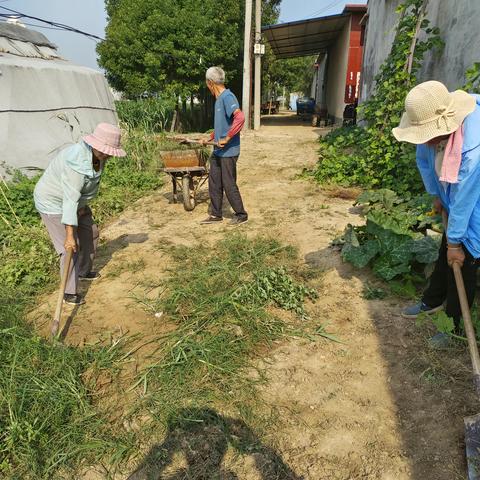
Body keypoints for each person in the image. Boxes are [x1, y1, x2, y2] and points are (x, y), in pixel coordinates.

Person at [392, 80, 480, 347]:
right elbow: (424, 162)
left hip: (476, 204)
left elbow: (466, 199)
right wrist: (436, 195)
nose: (426, 141)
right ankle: (432, 300)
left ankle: (454, 324)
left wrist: (456, 242)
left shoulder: (474, 145)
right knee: (446, 252)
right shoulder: (429, 128)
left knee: (463, 261)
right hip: (457, 200)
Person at [34, 123, 126, 305]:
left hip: (77, 203)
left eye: (108, 151)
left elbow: (79, 194)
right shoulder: (76, 162)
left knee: (90, 233)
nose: (107, 154)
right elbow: (69, 201)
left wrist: (81, 206)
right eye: (104, 151)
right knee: (70, 247)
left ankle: (84, 271)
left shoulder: (97, 156)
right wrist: (69, 235)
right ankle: (69, 292)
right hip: (54, 204)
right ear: (95, 145)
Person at [200, 66, 248, 226]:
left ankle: (241, 214)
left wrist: (227, 138)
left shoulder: (227, 97)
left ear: (210, 83)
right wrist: (209, 139)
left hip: (229, 151)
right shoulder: (218, 99)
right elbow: (222, 126)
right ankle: (216, 214)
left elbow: (240, 118)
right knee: (214, 181)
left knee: (228, 183)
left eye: (207, 84)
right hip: (218, 151)